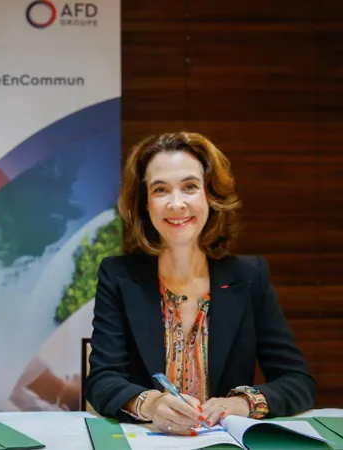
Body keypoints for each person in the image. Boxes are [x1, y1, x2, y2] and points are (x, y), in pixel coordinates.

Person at [85, 132, 315, 436]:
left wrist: (241, 404)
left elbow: (298, 381)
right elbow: (101, 380)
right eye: (160, 190)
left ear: (211, 195)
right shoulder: (118, 275)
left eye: (190, 187)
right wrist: (151, 404)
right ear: (145, 204)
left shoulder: (249, 276)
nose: (176, 203)